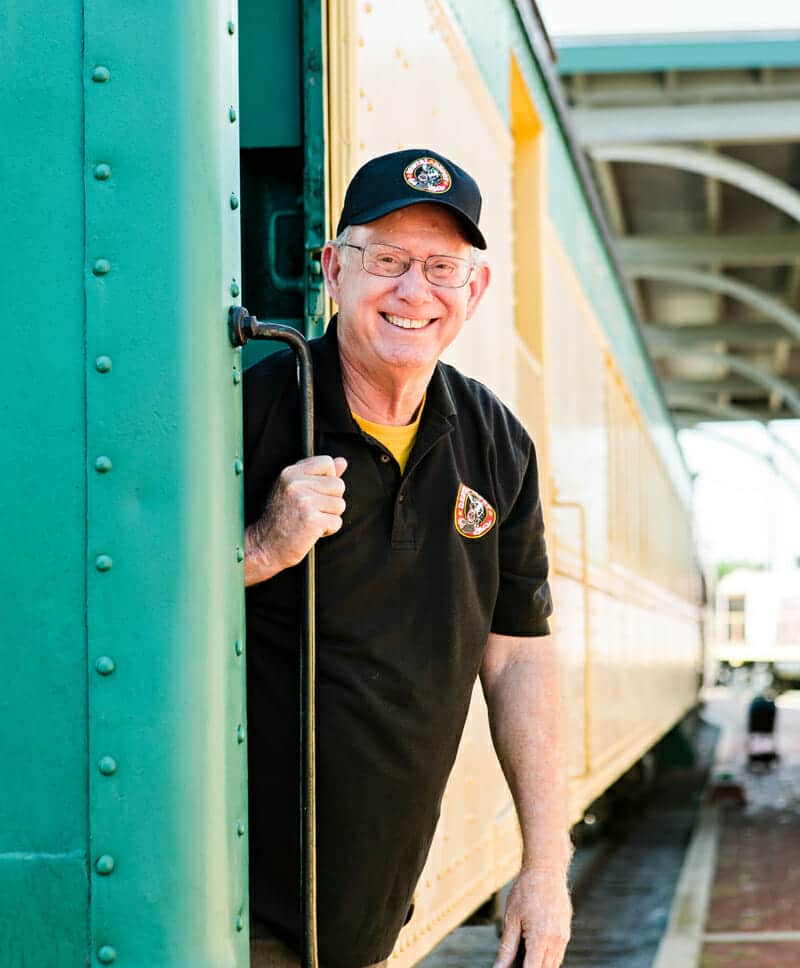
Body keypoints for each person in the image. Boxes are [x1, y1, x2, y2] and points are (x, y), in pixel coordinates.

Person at [244, 148, 572, 968]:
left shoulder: (497, 443)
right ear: (334, 271)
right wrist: (261, 547)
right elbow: (130, 615)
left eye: (440, 267)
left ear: (476, 289)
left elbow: (519, 655)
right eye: (385, 261)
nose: (412, 291)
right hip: (243, 905)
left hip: (374, 907)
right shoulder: (248, 411)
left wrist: (545, 866)